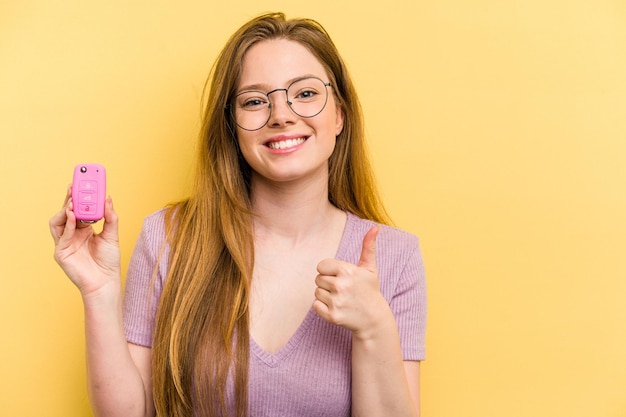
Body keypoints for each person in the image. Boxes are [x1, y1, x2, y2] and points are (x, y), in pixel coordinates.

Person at [49, 12, 427, 417]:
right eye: (254, 101)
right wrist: (100, 294)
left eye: (305, 94)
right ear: (232, 127)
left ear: (339, 115)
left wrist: (374, 327)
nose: (281, 115)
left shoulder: (395, 256)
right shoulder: (168, 237)